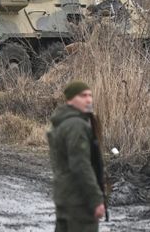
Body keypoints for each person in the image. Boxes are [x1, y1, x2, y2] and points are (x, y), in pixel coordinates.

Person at [47, 81, 107, 231]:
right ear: (70, 99)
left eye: (90, 95)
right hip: (80, 201)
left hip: (65, 197)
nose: (88, 100)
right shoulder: (76, 126)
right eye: (83, 96)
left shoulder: (62, 122)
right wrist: (96, 200)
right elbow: (80, 165)